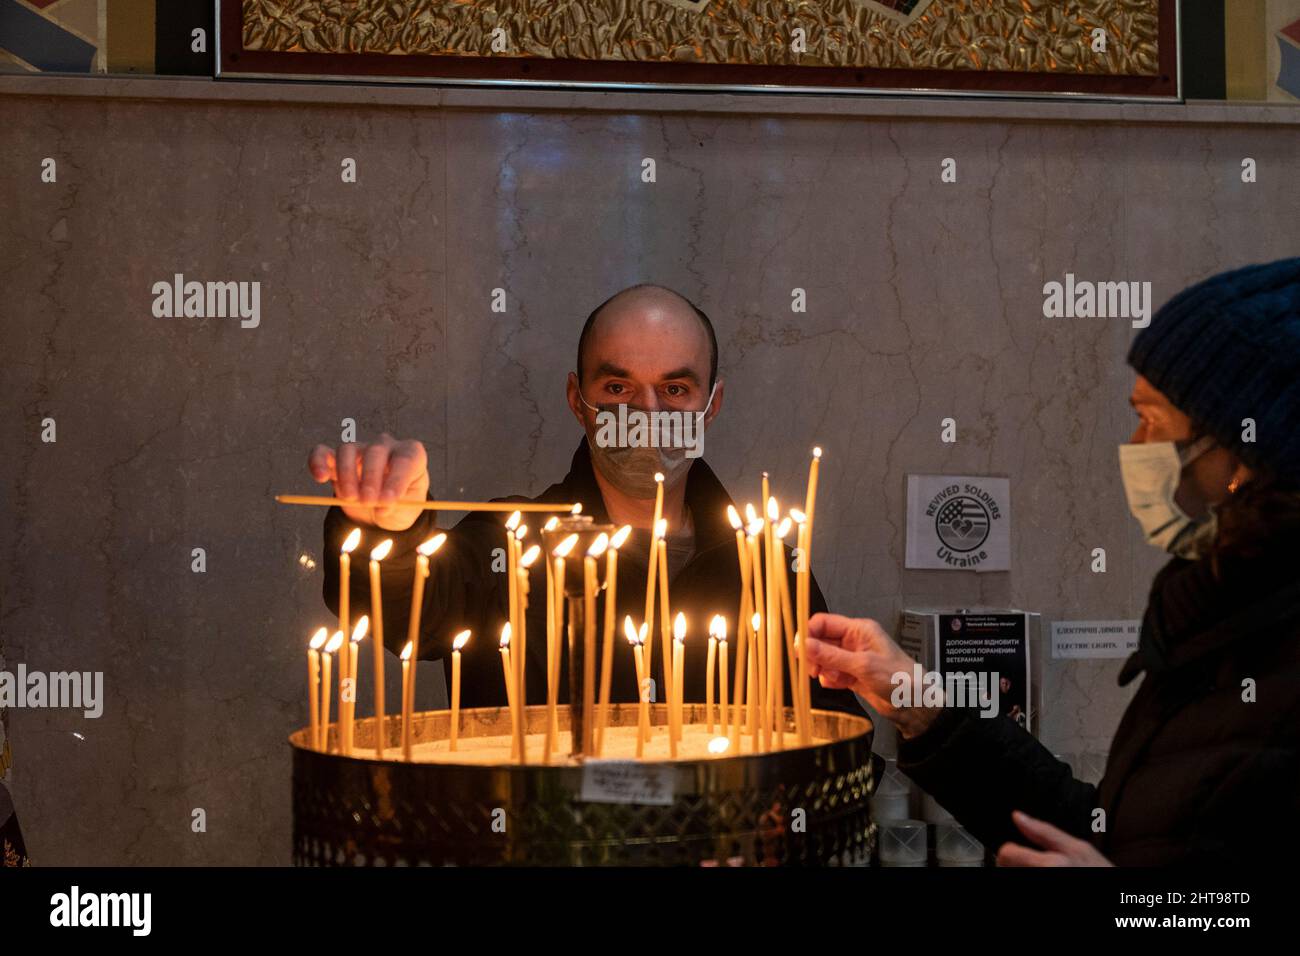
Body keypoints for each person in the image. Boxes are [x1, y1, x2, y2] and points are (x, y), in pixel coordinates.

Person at [805, 258, 1300, 866]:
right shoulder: (1208, 615)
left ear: (1247, 452)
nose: (1133, 449)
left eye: (1152, 421)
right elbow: (1106, 834)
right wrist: (920, 702)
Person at [308, 283, 862, 718]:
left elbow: (834, 734)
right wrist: (390, 528)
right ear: (578, 401)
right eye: (618, 388)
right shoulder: (507, 542)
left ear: (711, 406)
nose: (646, 416)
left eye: (674, 390)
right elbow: (405, 612)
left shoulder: (768, 566)